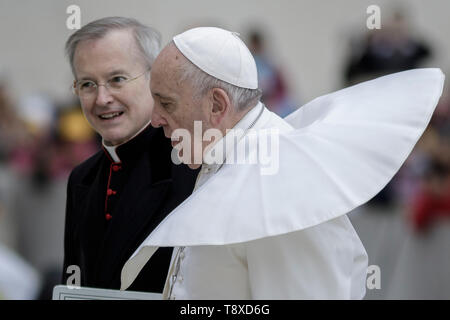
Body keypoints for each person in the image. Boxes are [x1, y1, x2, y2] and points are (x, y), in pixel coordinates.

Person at [120, 27, 444, 299]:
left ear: (216, 105)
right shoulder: (226, 155)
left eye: (166, 103)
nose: (155, 119)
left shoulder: (280, 182)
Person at [62, 17, 198, 292]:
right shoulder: (81, 178)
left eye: (117, 79)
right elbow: (73, 283)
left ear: (153, 78)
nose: (102, 99)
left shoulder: (190, 165)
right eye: (87, 84)